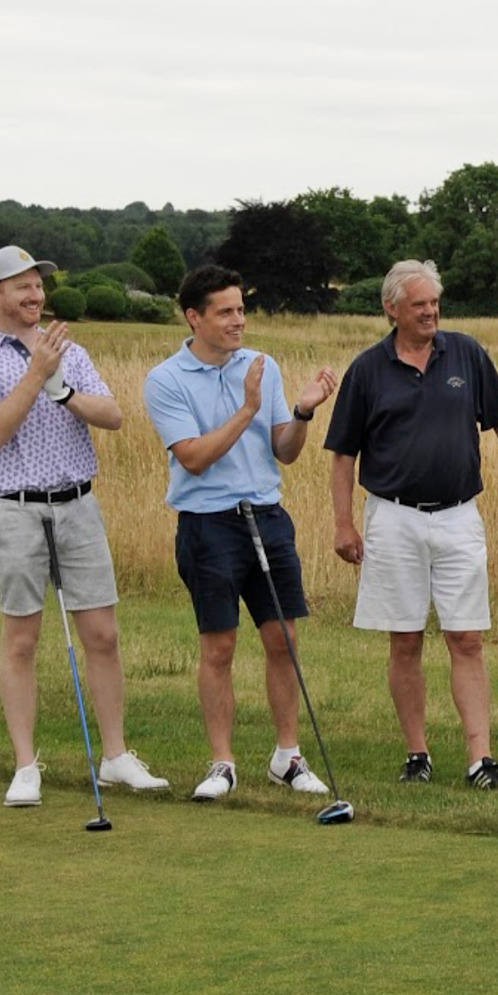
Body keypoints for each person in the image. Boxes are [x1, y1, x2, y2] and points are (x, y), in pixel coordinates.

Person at [0, 245, 171, 806]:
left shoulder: (69, 351)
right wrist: (35, 374)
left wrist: (63, 388)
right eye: (21, 286)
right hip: (16, 508)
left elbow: (114, 415)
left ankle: (117, 757)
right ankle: (26, 766)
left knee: (102, 634)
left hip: (78, 504)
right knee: (22, 638)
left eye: (38, 285)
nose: (35, 295)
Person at [324, 260, 498, 790]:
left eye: (434, 303)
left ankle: (479, 759)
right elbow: (343, 454)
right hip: (393, 517)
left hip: (459, 514)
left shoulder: (464, 351)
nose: (430, 312)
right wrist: (344, 524)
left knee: (466, 637)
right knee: (406, 639)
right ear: (391, 307)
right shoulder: (368, 369)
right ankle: (417, 754)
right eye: (419, 305)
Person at [142, 265, 337, 802]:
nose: (238, 321)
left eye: (241, 309)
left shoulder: (261, 365)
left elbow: (285, 451)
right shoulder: (166, 379)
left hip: (268, 515)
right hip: (208, 524)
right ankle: (222, 763)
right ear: (194, 317)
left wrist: (300, 411)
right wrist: (247, 407)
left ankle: (288, 757)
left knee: (284, 639)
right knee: (219, 647)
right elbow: (195, 458)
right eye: (225, 311)